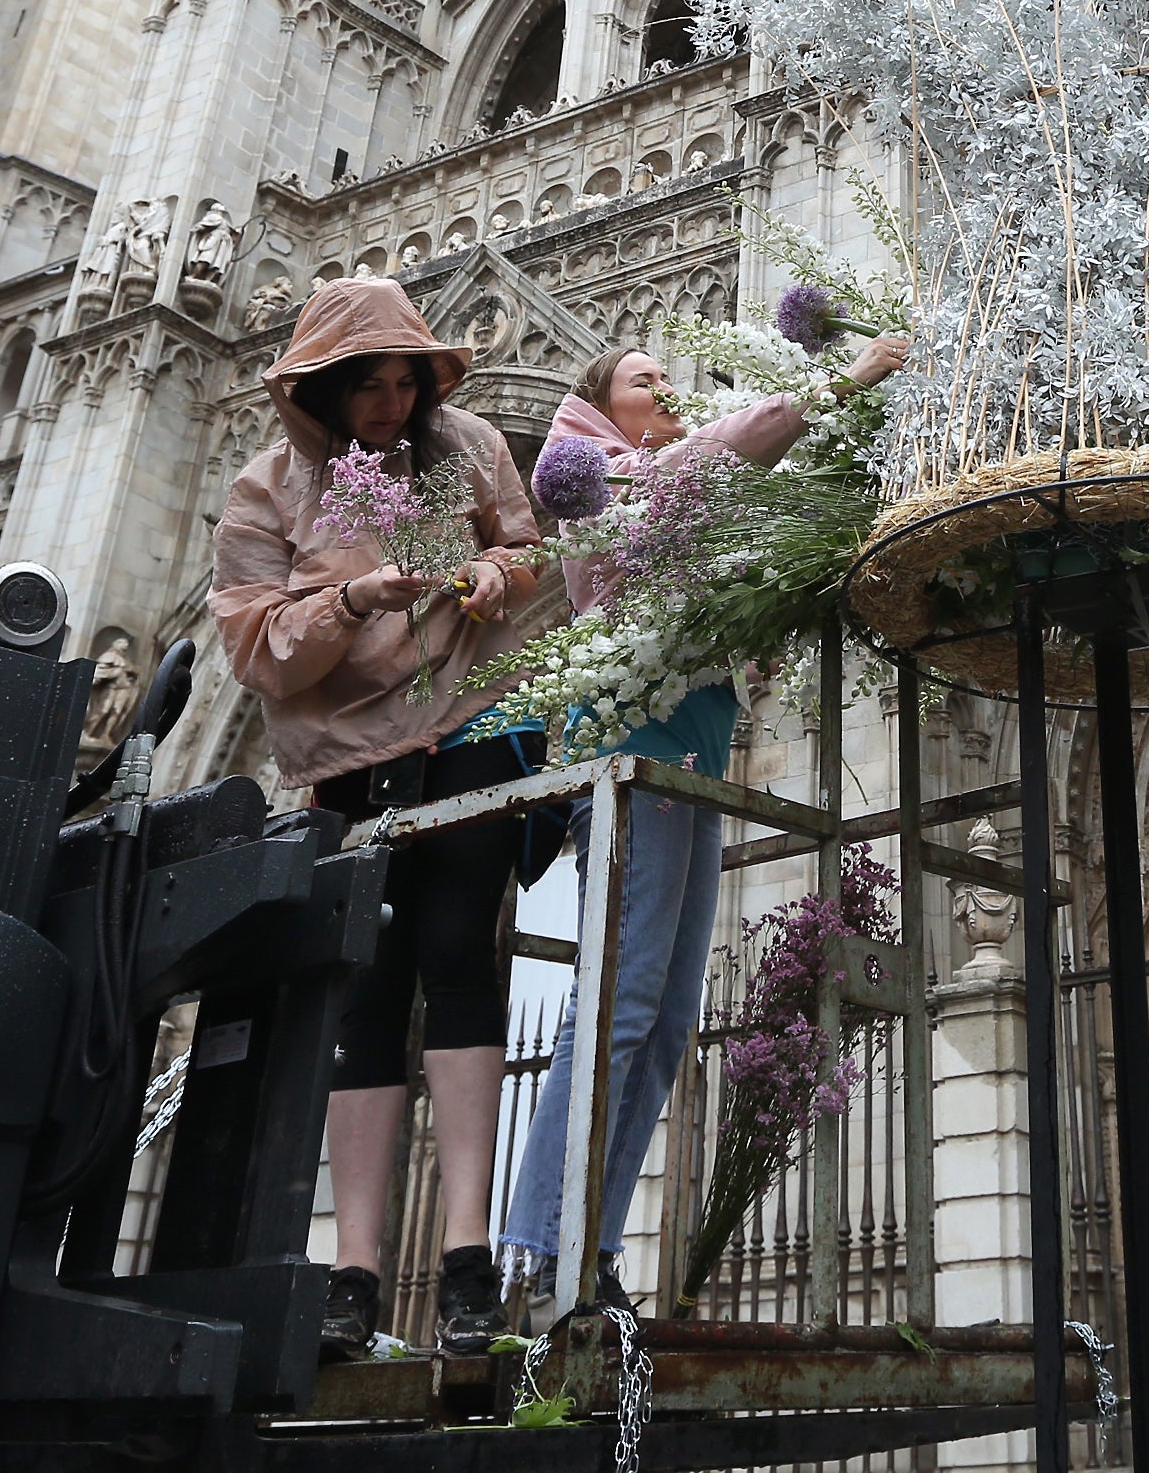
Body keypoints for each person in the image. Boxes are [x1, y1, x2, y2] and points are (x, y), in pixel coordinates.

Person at [498, 331, 908, 1317]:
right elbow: (714, 456)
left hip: (692, 740)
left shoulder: (659, 478)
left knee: (669, 1012)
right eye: (646, 378)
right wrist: (845, 380)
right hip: (637, 737)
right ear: (601, 404)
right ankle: (537, 1245)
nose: (667, 389)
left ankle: (587, 1248)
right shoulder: (592, 475)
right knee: (623, 1000)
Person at [211, 278, 554, 1362]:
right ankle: (353, 1267)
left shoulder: (468, 448)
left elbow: (529, 547)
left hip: (469, 725)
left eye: (408, 381)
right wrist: (355, 600)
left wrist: (496, 572)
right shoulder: (265, 490)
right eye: (371, 383)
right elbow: (252, 645)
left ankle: (466, 1256)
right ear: (323, 386)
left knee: (461, 954)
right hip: (351, 760)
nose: (392, 401)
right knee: (367, 986)